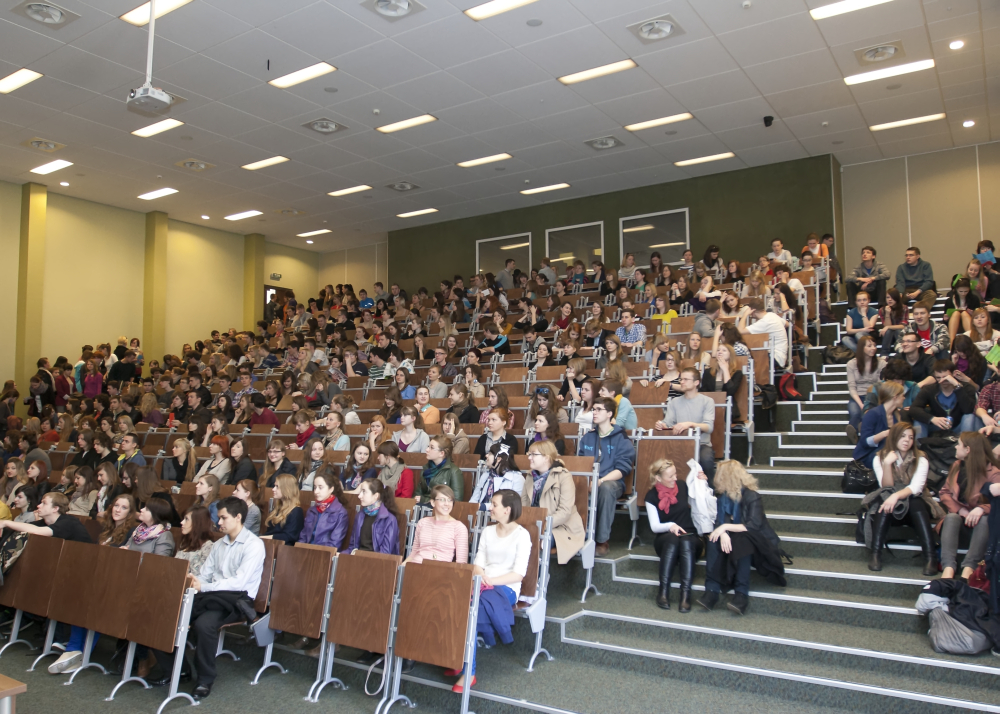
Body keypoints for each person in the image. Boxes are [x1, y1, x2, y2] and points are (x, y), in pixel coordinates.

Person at [147, 496, 265, 700]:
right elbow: (205, 574)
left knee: (204, 625)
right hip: (211, 596)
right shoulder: (219, 545)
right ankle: (178, 670)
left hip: (236, 601)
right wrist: (194, 582)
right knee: (161, 613)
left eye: (223, 518)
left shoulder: (253, 545)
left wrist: (204, 586)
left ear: (238, 517)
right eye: (219, 517)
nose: (219, 522)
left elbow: (238, 583)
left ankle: (205, 679)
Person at [0, 492, 94, 674]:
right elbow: (29, 527)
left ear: (56, 508)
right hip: (64, 574)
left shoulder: (68, 522)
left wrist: (4, 523)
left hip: (85, 576)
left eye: (44, 503)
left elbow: (41, 532)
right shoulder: (45, 522)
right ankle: (55, 639)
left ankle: (61, 641)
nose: (38, 506)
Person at [450, 489, 530, 692]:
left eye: (494, 505)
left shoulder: (522, 536)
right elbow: (478, 563)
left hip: (506, 588)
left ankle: (469, 672)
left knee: (471, 611)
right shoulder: (488, 531)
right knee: (453, 602)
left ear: (507, 510)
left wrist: (491, 581)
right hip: (482, 582)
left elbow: (518, 574)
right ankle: (456, 658)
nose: (490, 508)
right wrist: (482, 577)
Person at [696, 461, 784, 615]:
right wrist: (723, 532)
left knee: (743, 541)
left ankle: (741, 593)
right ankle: (711, 590)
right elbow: (718, 523)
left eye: (720, 476)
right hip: (734, 538)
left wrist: (725, 527)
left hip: (757, 543)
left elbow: (753, 526)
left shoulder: (752, 496)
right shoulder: (722, 497)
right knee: (713, 539)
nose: (717, 479)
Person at [865, 423, 936, 575]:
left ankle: (930, 557)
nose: (906, 440)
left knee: (916, 503)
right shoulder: (880, 458)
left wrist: (896, 496)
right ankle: (875, 554)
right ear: (894, 437)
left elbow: (916, 488)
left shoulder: (921, 458)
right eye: (903, 436)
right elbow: (886, 487)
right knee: (883, 503)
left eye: (910, 437)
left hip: (914, 501)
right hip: (891, 503)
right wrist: (887, 464)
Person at [577, 397, 636, 557]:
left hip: (611, 482)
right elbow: (581, 463)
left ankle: (601, 540)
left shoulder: (621, 438)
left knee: (606, 488)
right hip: (589, 481)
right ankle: (576, 537)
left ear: (609, 414)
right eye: (593, 409)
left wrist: (600, 481)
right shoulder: (588, 437)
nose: (594, 413)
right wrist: (589, 481)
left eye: (599, 410)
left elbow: (623, 468)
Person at [646, 458, 707, 611]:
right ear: (658, 478)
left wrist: (702, 482)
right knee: (673, 540)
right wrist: (670, 526)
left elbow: (702, 497)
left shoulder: (682, 486)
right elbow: (654, 527)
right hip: (666, 538)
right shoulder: (651, 496)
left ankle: (685, 595)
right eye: (670, 476)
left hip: (690, 536)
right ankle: (663, 592)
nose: (675, 478)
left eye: (675, 474)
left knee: (685, 541)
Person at [938, 431, 1000, 581]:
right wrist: (960, 509)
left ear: (968, 449)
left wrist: (982, 509)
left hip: (983, 527)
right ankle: (948, 568)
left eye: (958, 444)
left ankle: (969, 569)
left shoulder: (993, 472)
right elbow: (944, 492)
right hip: (961, 521)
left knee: (985, 519)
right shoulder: (956, 466)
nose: (955, 447)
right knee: (951, 517)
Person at [522, 439, 584, 564]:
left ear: (546, 458)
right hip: (533, 525)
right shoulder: (530, 477)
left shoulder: (564, 476)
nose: (529, 457)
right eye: (529, 454)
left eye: (533, 454)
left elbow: (565, 511)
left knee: (536, 541)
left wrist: (542, 526)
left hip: (560, 528)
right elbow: (523, 506)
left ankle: (538, 576)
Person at [655, 368, 716, 482]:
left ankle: (711, 490)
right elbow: (668, 422)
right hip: (679, 443)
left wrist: (690, 424)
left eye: (686, 379)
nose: (681, 382)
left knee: (706, 460)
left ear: (696, 382)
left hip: (701, 444)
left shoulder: (707, 401)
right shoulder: (674, 402)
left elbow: (709, 427)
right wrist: (662, 425)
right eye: (681, 379)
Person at [909, 360, 978, 439]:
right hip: (937, 426)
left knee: (969, 416)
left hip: (958, 426)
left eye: (946, 377)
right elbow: (914, 409)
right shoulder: (929, 389)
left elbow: (968, 409)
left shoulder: (966, 388)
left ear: (953, 374)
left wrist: (958, 387)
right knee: (919, 419)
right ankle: (919, 445)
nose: (942, 380)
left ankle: (965, 443)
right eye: (938, 377)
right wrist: (932, 419)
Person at [406, 483, 468, 564]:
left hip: (440, 569)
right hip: (416, 566)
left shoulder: (459, 527)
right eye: (442, 500)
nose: (447, 503)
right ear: (433, 502)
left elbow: (461, 563)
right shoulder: (423, 522)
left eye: (450, 500)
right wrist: (401, 567)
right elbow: (413, 554)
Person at [845, 336, 886, 443]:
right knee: (855, 413)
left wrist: (869, 402)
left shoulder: (881, 363)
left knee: (867, 414)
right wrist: (861, 404)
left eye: (874, 345)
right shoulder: (851, 364)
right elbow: (852, 387)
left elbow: (880, 384)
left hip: (873, 396)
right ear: (861, 348)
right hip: (857, 396)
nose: (873, 348)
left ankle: (862, 429)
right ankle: (853, 432)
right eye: (869, 346)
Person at [300, 468, 349, 549]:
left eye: (320, 487)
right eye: (315, 487)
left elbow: (334, 543)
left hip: (324, 553)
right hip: (306, 551)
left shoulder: (341, 513)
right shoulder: (311, 510)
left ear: (331, 489)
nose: (316, 491)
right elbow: (303, 537)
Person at [348, 478, 399, 555]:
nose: (359, 496)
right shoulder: (359, 516)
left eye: (364, 492)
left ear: (376, 496)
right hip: (357, 557)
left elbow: (385, 553)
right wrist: (341, 555)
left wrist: (360, 556)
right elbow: (352, 547)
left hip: (375, 560)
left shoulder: (390, 520)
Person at [736, 298, 788, 370]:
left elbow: (740, 331)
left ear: (752, 311)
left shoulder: (764, 322)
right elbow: (787, 324)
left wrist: (745, 315)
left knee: (744, 358)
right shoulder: (772, 315)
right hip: (780, 356)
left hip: (774, 358)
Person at [417, 436, 464, 502]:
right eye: (428, 446)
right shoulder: (426, 469)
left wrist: (424, 500)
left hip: (443, 507)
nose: (427, 449)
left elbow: (456, 501)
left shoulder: (454, 472)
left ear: (441, 453)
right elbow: (417, 495)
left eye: (431, 448)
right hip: (423, 507)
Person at [262, 473, 305, 545]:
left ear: (286, 489)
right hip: (271, 545)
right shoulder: (277, 508)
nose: (273, 489)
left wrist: (265, 538)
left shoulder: (296, 511)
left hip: (284, 548)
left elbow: (289, 536)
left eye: (277, 487)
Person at [175, 506, 216, 577]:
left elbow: (200, 574)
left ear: (197, 523)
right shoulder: (185, 541)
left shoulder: (208, 546)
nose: (182, 522)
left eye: (186, 519)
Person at [945, 278, 981, 347]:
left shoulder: (974, 299)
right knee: (956, 313)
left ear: (969, 289)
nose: (963, 293)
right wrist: (946, 318)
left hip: (969, 323)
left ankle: (972, 340)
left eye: (966, 291)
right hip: (954, 325)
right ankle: (952, 343)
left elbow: (979, 315)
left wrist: (973, 314)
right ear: (956, 290)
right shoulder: (949, 301)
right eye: (961, 291)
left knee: (964, 313)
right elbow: (945, 319)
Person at [879, 288, 909, 356]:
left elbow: (903, 325)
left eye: (892, 297)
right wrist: (887, 314)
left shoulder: (904, 308)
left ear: (897, 298)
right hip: (888, 335)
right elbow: (886, 326)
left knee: (897, 330)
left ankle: (901, 353)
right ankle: (884, 354)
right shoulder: (882, 310)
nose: (889, 299)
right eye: (887, 297)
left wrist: (888, 327)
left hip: (900, 334)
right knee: (889, 331)